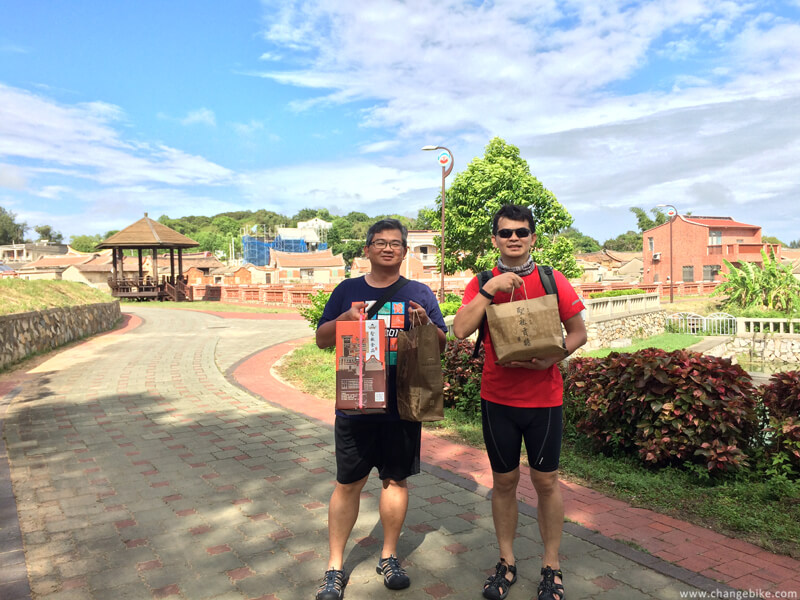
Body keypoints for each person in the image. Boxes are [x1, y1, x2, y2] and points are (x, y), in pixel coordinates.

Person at [452, 204, 587, 600]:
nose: (514, 238)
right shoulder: (482, 281)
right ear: (494, 238)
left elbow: (578, 332)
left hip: (545, 399)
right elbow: (460, 330)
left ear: (532, 238)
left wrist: (556, 355)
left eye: (522, 232)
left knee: (546, 482)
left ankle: (551, 564)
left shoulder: (552, 278)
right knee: (504, 481)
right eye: (506, 232)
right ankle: (507, 562)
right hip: (498, 399)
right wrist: (489, 291)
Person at [314, 218, 447, 600]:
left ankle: (388, 556)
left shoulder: (420, 293)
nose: (388, 248)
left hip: (403, 403)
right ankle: (335, 567)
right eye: (380, 243)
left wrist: (426, 326)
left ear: (405, 251)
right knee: (348, 483)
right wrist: (344, 319)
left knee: (395, 480)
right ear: (367, 250)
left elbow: (440, 345)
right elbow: (322, 339)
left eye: (395, 243)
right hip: (356, 402)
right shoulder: (347, 290)